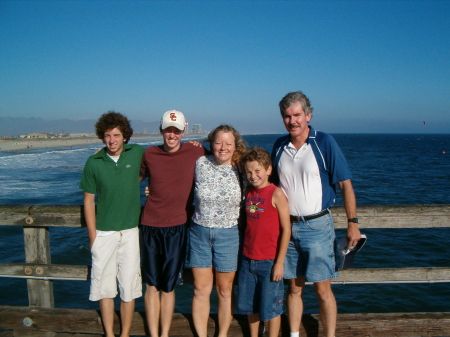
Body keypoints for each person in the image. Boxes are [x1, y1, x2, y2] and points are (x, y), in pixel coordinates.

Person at [271, 91, 361, 337]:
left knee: (323, 290)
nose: (293, 121)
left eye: (297, 115)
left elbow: (345, 184)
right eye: (287, 116)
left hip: (318, 227)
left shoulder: (324, 142)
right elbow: (268, 183)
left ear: (308, 115)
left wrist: (352, 223)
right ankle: (294, 334)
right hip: (288, 229)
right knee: (294, 289)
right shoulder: (280, 146)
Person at [140, 110, 207, 337]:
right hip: (149, 225)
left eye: (176, 131)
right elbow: (129, 174)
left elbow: (222, 155)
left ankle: (164, 334)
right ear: (161, 130)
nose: (172, 135)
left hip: (177, 227)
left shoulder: (195, 151)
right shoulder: (149, 153)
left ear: (183, 132)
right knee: (151, 285)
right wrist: (108, 156)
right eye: (168, 130)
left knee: (168, 286)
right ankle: (153, 333)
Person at [79, 111, 144, 337]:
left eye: (116, 135)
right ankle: (109, 333)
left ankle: (124, 333)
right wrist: (93, 237)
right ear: (102, 136)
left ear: (125, 136)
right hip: (103, 233)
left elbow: (161, 162)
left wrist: (195, 144)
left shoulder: (137, 153)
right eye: (107, 135)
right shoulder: (94, 161)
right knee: (104, 288)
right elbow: (88, 200)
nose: (112, 140)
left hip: (130, 231)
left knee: (129, 286)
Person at [188, 125, 247, 337]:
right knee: (201, 290)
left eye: (228, 143)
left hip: (229, 235)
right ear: (211, 143)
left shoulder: (241, 167)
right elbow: (172, 170)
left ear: (235, 146)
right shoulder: (200, 162)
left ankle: (222, 334)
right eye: (219, 142)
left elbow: (264, 182)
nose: (223, 148)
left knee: (224, 291)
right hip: (199, 233)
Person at [237, 147, 291, 337]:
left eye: (257, 171)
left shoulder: (276, 193)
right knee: (249, 305)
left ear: (268, 170)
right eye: (249, 171)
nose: (253, 175)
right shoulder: (249, 193)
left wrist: (279, 263)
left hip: (269, 261)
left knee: (271, 307)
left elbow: (286, 230)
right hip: (247, 258)